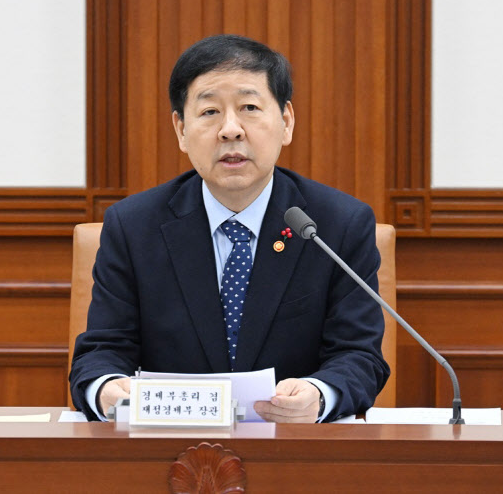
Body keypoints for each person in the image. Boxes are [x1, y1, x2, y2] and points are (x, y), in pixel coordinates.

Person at [69, 34, 389, 423]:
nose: (230, 130)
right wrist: (105, 387)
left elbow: (359, 355)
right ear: (180, 129)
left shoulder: (337, 225)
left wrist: (319, 395)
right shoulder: (133, 226)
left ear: (286, 122)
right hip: (168, 444)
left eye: (249, 107)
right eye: (209, 112)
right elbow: (101, 351)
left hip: (294, 445)